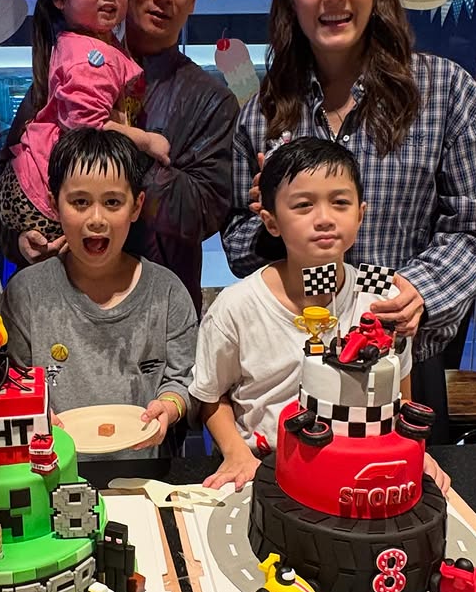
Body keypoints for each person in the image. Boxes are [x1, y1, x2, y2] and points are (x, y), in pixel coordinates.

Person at [221, 0, 476, 442]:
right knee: (293, 486)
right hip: (294, 361)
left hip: (403, 362)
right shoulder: (263, 113)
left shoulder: (444, 92)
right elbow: (236, 238)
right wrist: (270, 223)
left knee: (400, 486)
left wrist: (419, 290)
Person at [0, 0, 238, 316]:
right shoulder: (67, 70)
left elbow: (201, 213)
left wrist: (116, 143)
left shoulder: (212, 101)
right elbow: (5, 176)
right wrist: (20, 237)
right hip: (57, 303)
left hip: (154, 312)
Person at [190, 137, 450, 493]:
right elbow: (209, 394)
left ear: (360, 213)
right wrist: (236, 454)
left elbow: (399, 395)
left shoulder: (385, 295)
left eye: (340, 202)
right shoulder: (237, 305)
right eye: (303, 205)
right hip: (264, 473)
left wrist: (414, 452)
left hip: (364, 475)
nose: (325, 219)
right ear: (271, 222)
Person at [0, 126, 197, 460]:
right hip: (52, 468)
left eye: (112, 202)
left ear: (136, 206)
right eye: (79, 202)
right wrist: (29, 411)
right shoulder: (26, 294)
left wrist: (169, 406)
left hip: (142, 472)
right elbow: (11, 380)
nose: (96, 219)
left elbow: (183, 378)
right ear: (54, 204)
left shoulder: (166, 293)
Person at [0, 0, 171, 245]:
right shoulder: (90, 58)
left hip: (35, 182)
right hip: (39, 194)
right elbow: (88, 126)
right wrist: (147, 141)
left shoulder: (83, 43)